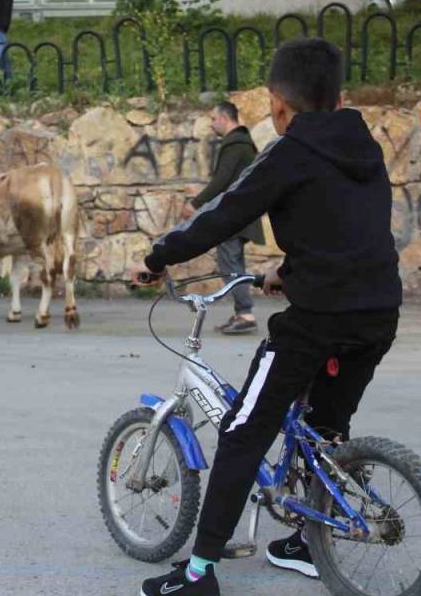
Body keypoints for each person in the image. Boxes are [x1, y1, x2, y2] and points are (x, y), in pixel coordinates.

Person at [132, 38, 403, 596]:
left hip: (318, 320)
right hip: (378, 312)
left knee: (240, 434)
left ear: (278, 103)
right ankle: (309, 540)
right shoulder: (365, 145)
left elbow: (221, 216)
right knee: (326, 429)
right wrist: (288, 268)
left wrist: (158, 256)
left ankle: (200, 573)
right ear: (339, 95)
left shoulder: (288, 152)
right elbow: (346, 226)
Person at [184, 101, 262, 335]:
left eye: (213, 119)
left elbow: (222, 179)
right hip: (240, 214)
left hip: (235, 217)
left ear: (226, 119)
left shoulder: (235, 144)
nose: (211, 124)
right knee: (233, 263)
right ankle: (242, 312)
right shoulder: (241, 144)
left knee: (231, 264)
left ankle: (246, 314)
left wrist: (195, 203)